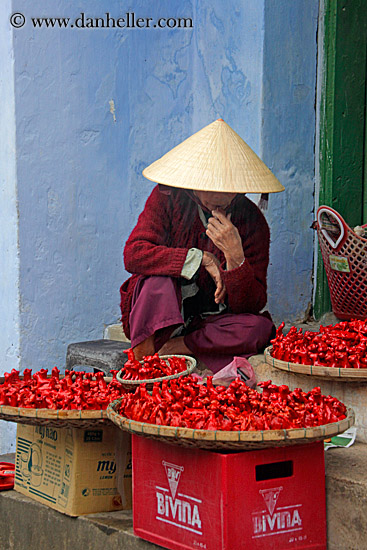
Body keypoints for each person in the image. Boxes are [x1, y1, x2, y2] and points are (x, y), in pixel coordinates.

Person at [120, 119, 284, 372]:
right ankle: (142, 358)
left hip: (209, 324)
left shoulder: (252, 221)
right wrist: (201, 258)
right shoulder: (167, 199)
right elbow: (134, 255)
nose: (220, 197)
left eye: (229, 190)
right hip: (160, 319)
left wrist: (235, 257)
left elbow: (251, 306)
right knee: (155, 281)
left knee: (260, 329)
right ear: (193, 183)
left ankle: (177, 347)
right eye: (210, 188)